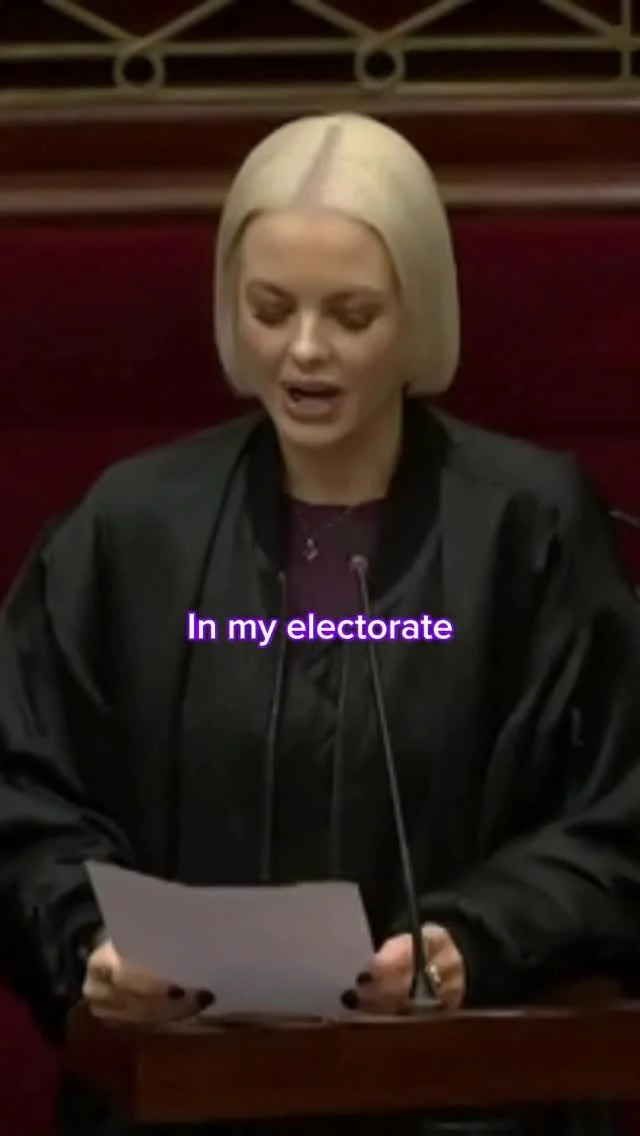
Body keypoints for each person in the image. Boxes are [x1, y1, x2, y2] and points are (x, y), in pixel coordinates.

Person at [0, 111, 639, 1136]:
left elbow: (619, 809)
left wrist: (477, 936)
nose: (304, 350)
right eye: (270, 308)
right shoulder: (130, 528)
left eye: (351, 314)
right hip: (192, 1103)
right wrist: (93, 942)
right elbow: (22, 787)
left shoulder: (530, 530)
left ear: (418, 314)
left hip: (466, 1102)